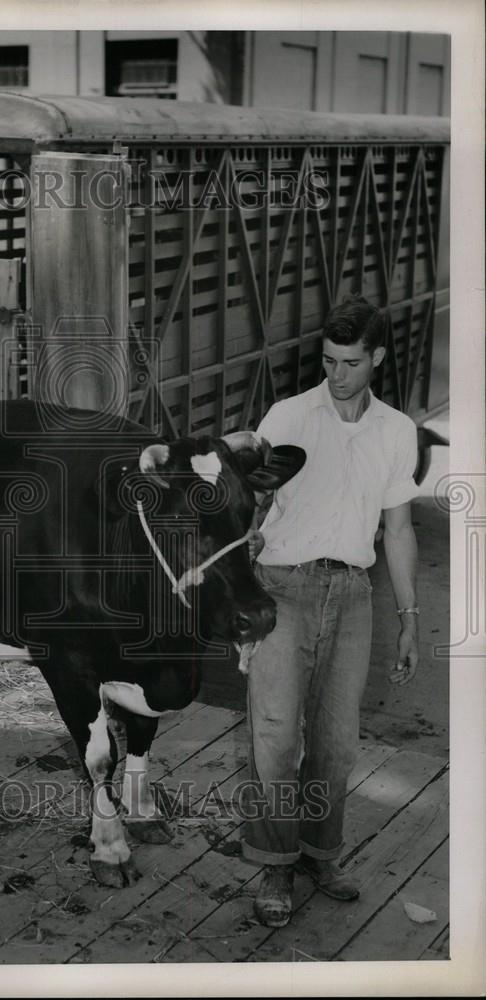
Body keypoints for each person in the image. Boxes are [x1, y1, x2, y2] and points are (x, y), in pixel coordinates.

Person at [243, 294, 420, 928]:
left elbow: (397, 531)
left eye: (349, 363)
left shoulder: (398, 432)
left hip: (353, 594)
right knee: (275, 734)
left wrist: (408, 618)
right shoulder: (287, 417)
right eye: (327, 360)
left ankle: (321, 854)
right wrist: (243, 597)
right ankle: (275, 863)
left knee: (337, 743)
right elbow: (250, 510)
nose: (335, 374)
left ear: (376, 358)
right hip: (282, 590)